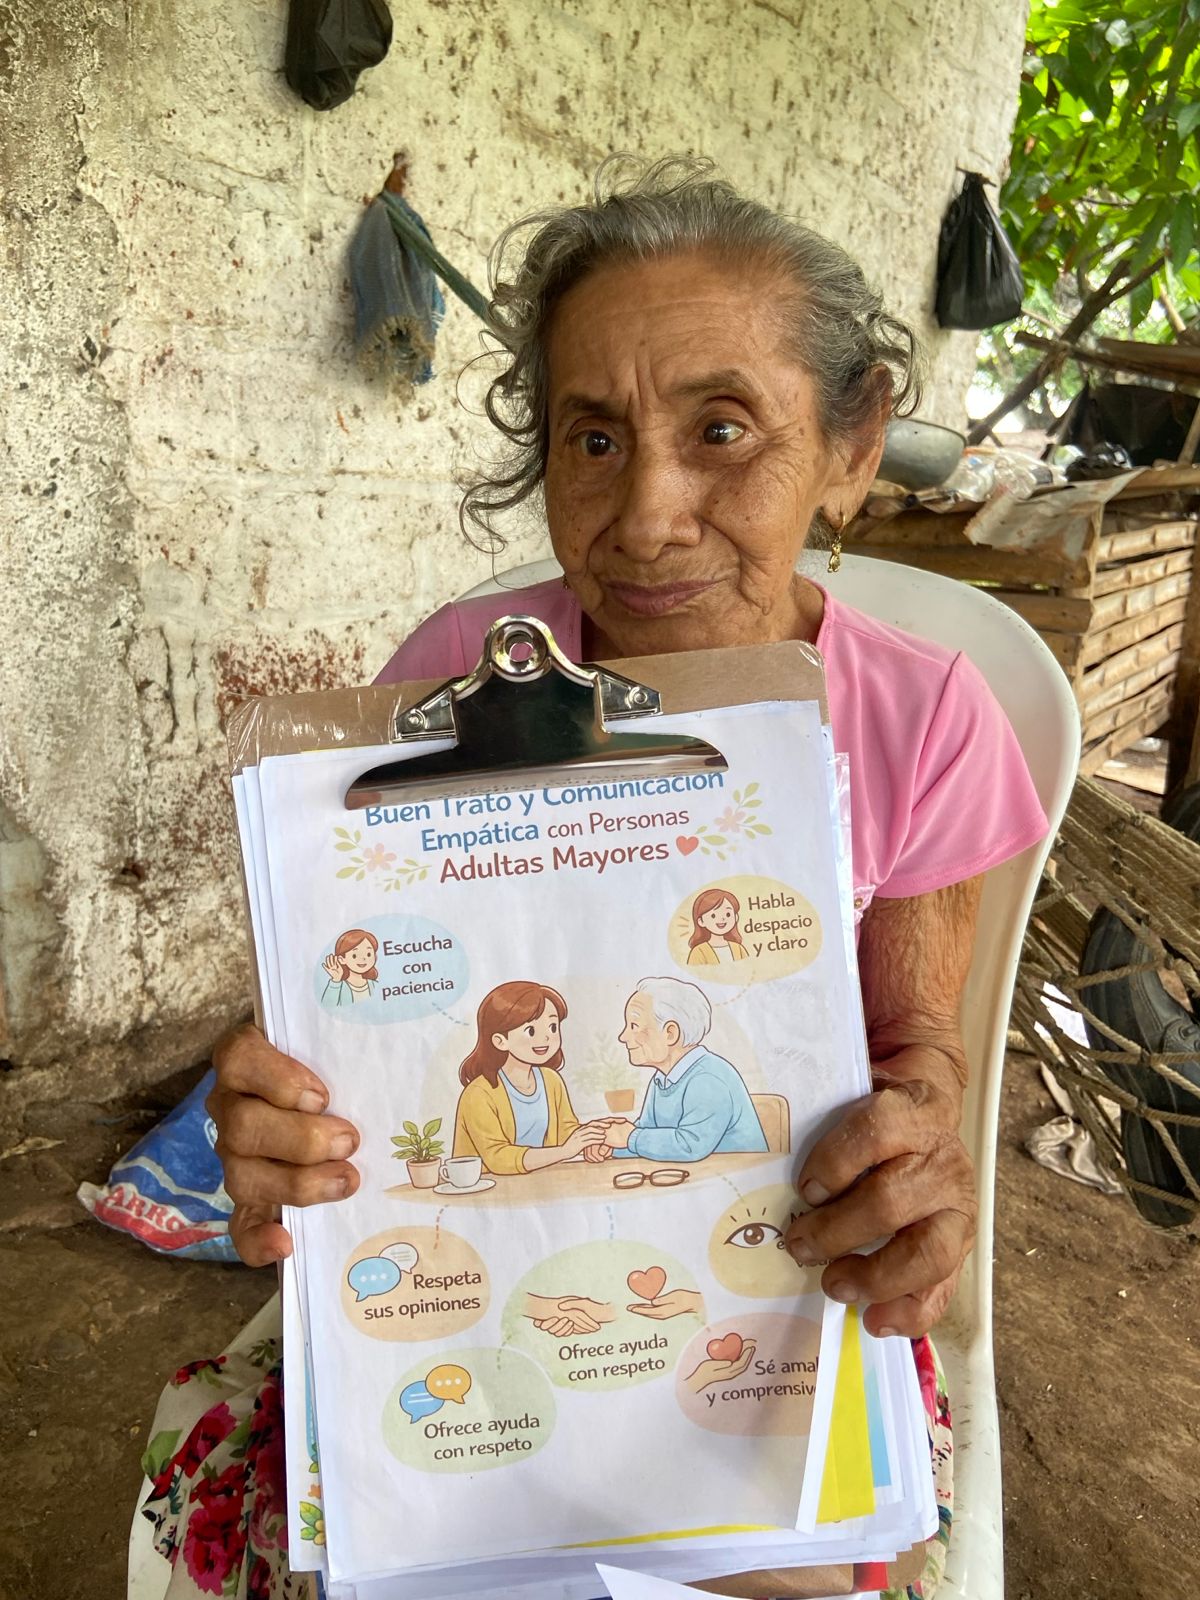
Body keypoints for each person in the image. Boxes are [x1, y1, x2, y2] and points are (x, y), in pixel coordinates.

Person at [149, 156, 1049, 1598]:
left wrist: (917, 1151)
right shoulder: (455, 681)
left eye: (722, 429)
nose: (645, 517)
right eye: (593, 439)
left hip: (777, 1324)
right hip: (463, 1344)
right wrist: (279, 1125)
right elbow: (356, 1031)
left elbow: (920, 1052)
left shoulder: (922, 718)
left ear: (854, 444)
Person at [602, 977, 768, 1160]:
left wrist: (630, 1138)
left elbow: (689, 1146)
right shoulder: (661, 1080)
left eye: (634, 1026)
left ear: (670, 1033)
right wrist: (612, 1147)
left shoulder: (707, 1079)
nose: (623, 1036)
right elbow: (647, 1134)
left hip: (739, 1171)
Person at [452, 980, 608, 1173]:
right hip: (490, 1186)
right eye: (531, 1030)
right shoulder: (478, 1094)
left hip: (540, 1179)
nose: (546, 1038)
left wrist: (589, 1140)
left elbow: (565, 1130)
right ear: (500, 1041)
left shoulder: (551, 1080)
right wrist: (564, 1151)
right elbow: (497, 1158)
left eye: (552, 1027)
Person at [686, 888, 749, 966]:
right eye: (713, 915)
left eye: (728, 914)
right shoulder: (698, 951)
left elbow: (749, 968)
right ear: (701, 921)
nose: (722, 918)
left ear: (736, 917)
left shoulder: (738, 948)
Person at [320, 928, 379, 1005]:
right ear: (341, 959)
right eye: (354, 955)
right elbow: (328, 1005)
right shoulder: (338, 986)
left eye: (368, 954)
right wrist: (335, 980)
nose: (363, 958)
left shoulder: (374, 985)